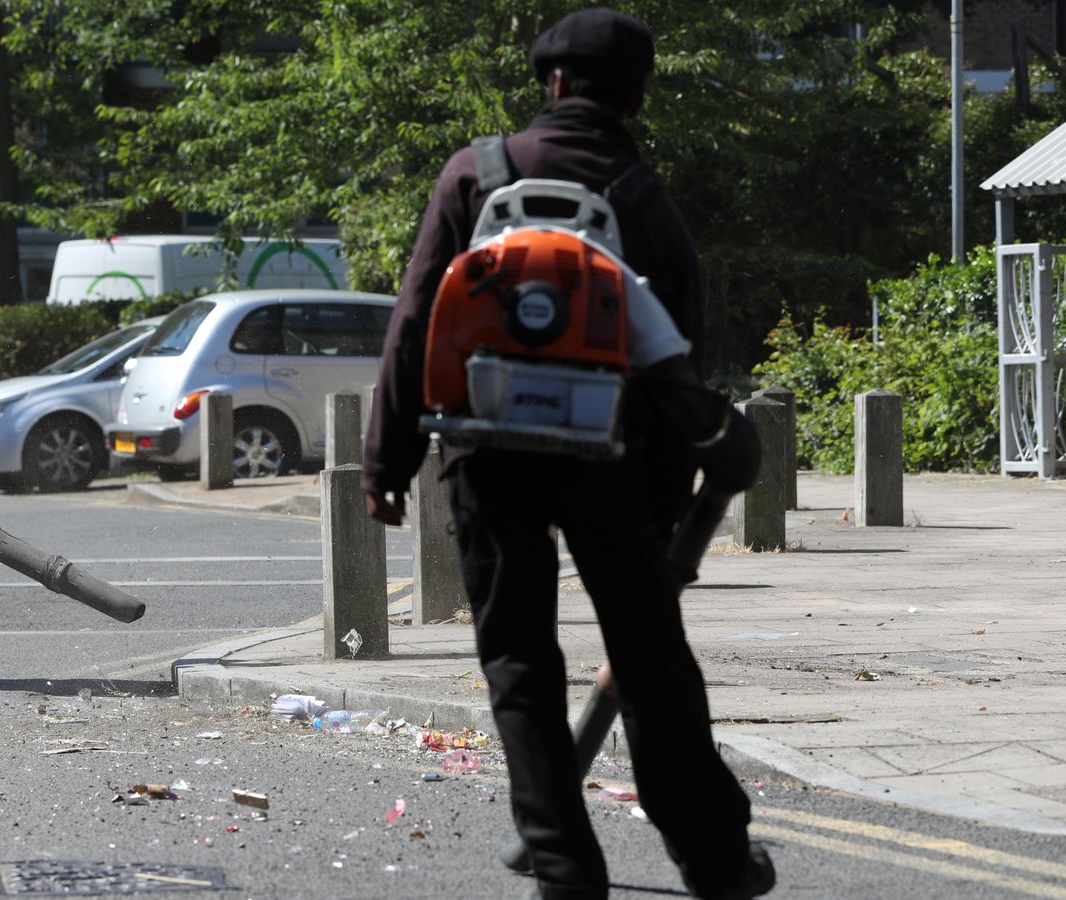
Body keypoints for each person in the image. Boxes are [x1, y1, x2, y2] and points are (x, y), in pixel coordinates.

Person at [363, 9, 774, 900]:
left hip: (484, 448)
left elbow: (415, 322)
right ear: (635, 100)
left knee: (519, 662)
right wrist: (664, 510)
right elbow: (678, 357)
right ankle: (712, 859)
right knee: (652, 662)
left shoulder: (475, 174)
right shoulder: (641, 196)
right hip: (612, 454)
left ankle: (563, 866)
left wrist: (384, 466)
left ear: (550, 86)